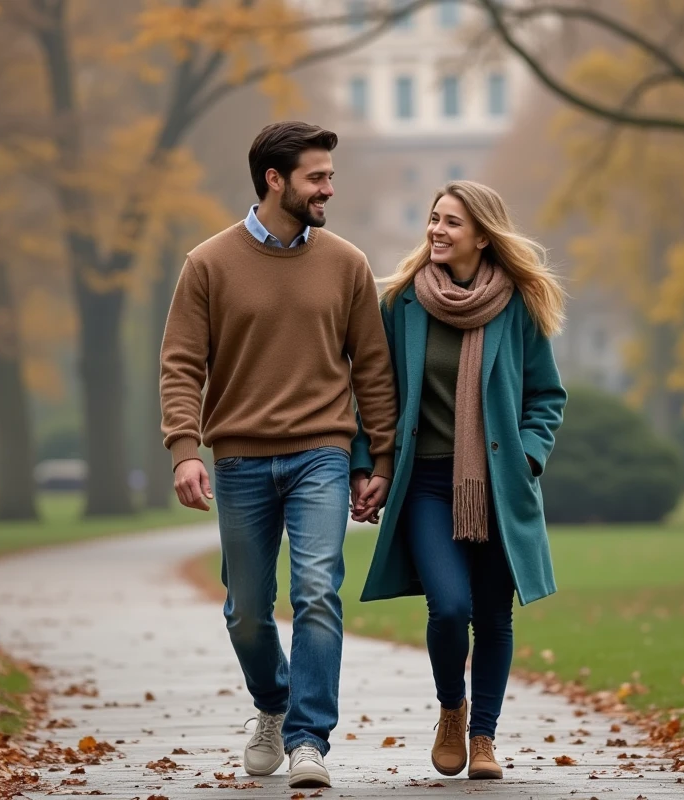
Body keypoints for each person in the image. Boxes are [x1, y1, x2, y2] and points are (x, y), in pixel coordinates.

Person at [159, 121, 397, 789]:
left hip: (322, 452)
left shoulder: (347, 263)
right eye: (316, 177)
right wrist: (184, 449)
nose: (328, 189)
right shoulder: (208, 263)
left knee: (317, 589)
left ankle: (308, 740)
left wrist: (379, 460)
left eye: (329, 176)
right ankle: (274, 701)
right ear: (274, 179)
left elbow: (373, 370)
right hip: (239, 460)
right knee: (245, 611)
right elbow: (181, 364)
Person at [350, 180, 566, 780]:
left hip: (498, 484)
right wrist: (367, 461)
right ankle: (452, 708)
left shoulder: (518, 305)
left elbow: (546, 396)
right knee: (448, 608)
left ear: (482, 236)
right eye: (434, 219)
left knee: (494, 616)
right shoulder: (402, 304)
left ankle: (484, 737)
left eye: (451, 222)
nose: (436, 231)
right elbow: (374, 394)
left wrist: (526, 457)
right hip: (424, 483)